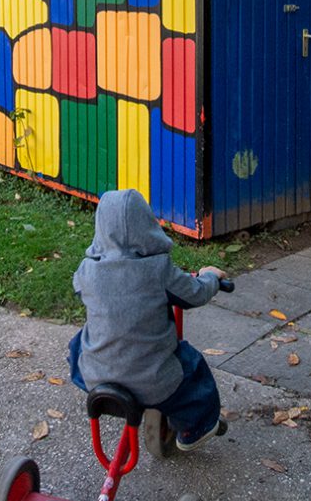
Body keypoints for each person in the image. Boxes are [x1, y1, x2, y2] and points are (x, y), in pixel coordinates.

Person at [67, 189, 228, 449]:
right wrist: (210, 277)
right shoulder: (158, 270)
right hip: (152, 381)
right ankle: (195, 430)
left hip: (93, 377)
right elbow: (195, 294)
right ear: (147, 225)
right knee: (194, 370)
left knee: (78, 343)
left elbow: (78, 289)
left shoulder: (87, 271)